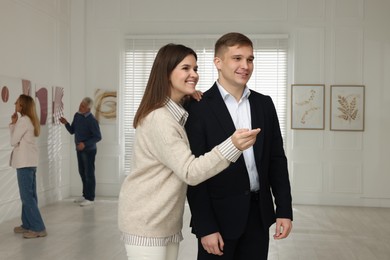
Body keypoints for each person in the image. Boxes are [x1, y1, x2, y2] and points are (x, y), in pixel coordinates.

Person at [117, 43, 261, 260]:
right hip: (146, 220)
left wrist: (188, 97)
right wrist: (232, 145)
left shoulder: (176, 112)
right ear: (166, 73)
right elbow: (190, 172)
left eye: (195, 69)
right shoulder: (159, 119)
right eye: (186, 69)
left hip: (165, 221)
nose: (194, 74)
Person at [184, 32, 293, 260]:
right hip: (218, 220)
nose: (245, 65)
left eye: (250, 59)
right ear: (218, 62)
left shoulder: (264, 104)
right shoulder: (198, 108)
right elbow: (194, 173)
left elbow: (276, 160)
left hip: (259, 216)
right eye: (237, 58)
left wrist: (283, 210)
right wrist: (205, 226)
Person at [10, 94, 47, 239]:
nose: (15, 104)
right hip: (30, 163)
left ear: (22, 106)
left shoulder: (23, 121)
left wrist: (13, 124)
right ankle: (27, 224)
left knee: (27, 197)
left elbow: (13, 141)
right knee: (30, 195)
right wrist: (15, 123)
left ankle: (38, 228)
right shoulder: (29, 120)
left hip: (24, 163)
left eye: (17, 102)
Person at [60, 97, 102, 206]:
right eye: (80, 104)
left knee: (89, 174)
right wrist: (66, 123)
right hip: (79, 149)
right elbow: (72, 131)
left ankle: (90, 198)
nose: (80, 107)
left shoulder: (92, 120)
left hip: (89, 151)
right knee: (82, 172)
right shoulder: (77, 115)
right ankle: (85, 195)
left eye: (83, 106)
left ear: (88, 109)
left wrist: (85, 144)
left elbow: (98, 137)